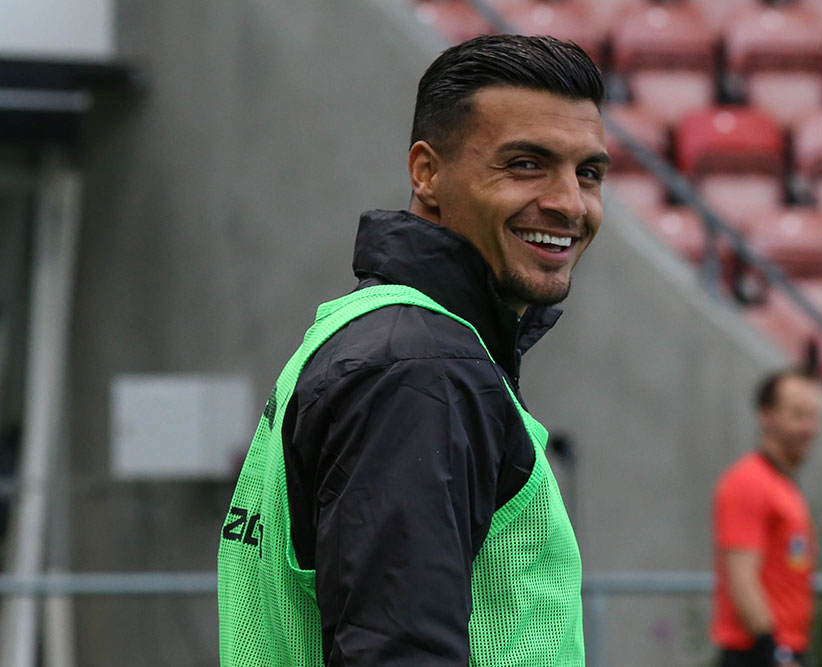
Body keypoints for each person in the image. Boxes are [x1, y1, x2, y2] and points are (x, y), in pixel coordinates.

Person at [217, 34, 609, 667]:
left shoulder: (379, 335)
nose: (569, 202)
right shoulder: (420, 369)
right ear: (427, 173)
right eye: (525, 164)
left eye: (588, 172)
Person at [710, 369, 822, 667]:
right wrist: (775, 654)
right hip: (757, 654)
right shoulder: (748, 482)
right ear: (766, 416)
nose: (810, 428)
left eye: (814, 417)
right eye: (798, 415)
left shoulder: (783, 485)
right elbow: (742, 579)